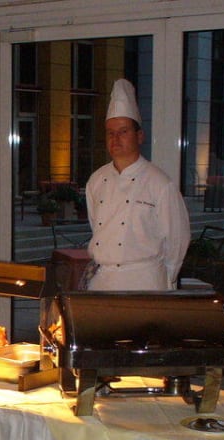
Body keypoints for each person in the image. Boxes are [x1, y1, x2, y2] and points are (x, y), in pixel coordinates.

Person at [84, 79, 191, 291]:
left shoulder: (160, 183)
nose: (116, 138)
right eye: (110, 132)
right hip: (102, 281)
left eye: (123, 131)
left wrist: (164, 277)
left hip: (145, 282)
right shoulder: (96, 180)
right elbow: (95, 223)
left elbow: (178, 240)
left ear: (139, 136)